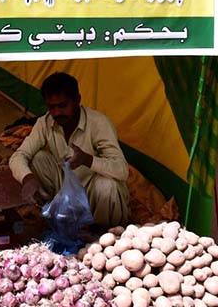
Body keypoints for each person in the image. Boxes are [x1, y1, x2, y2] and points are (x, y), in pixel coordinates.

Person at [9, 72, 129, 228]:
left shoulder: (98, 123)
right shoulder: (45, 122)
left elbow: (122, 170)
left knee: (107, 186)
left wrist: (87, 159)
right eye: (52, 107)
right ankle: (57, 215)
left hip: (94, 194)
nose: (57, 112)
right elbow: (18, 156)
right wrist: (28, 179)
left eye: (63, 105)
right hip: (66, 189)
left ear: (77, 100)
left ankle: (99, 232)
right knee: (37, 159)